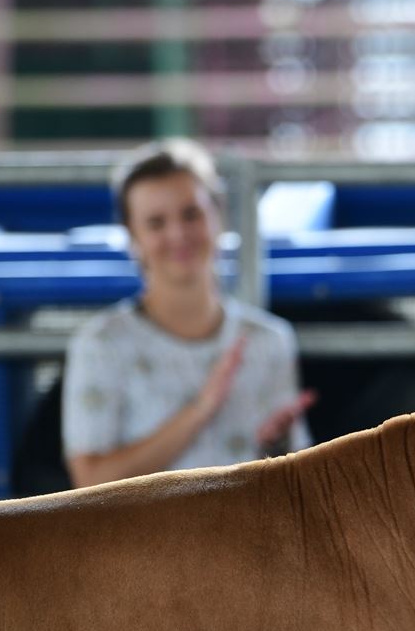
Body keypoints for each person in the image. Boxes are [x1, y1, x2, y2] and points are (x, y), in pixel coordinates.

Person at [61, 138, 313, 488]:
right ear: (132, 237)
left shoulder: (269, 340)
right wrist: (201, 408)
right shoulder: (101, 345)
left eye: (191, 214)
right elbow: (89, 481)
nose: (178, 234)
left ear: (218, 217)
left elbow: (294, 481)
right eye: (156, 223)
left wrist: (277, 447)